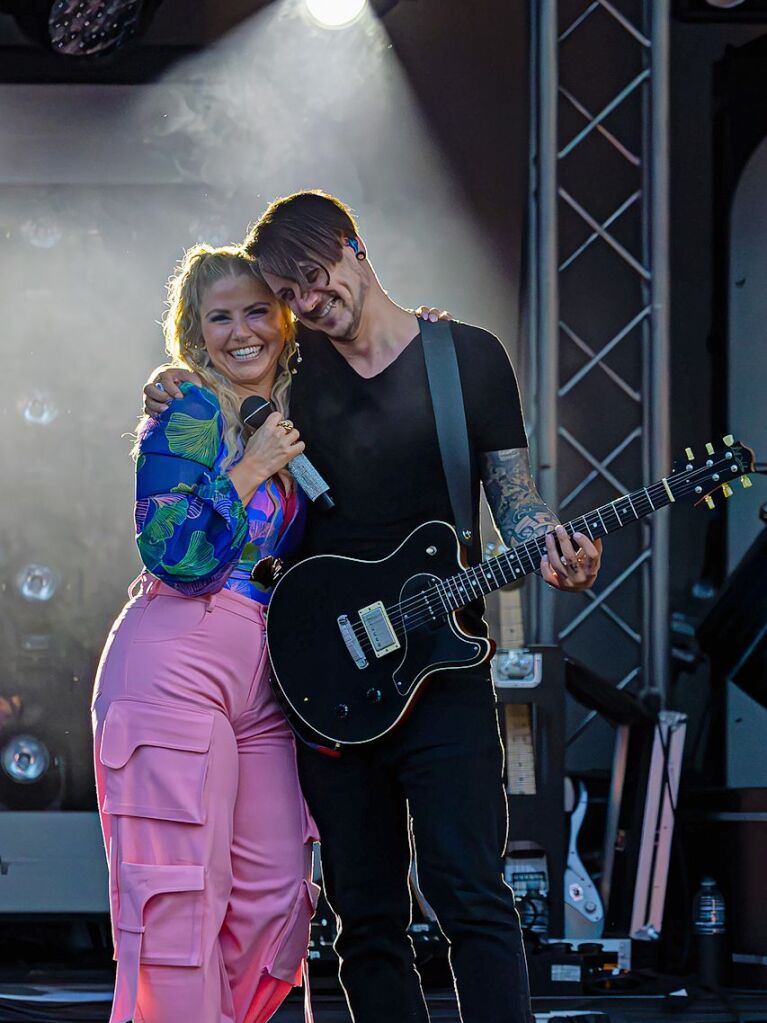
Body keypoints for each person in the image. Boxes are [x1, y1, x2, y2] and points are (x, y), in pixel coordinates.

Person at [145, 191, 603, 1023]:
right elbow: (219, 367)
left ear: (354, 247)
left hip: (443, 667)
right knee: (365, 917)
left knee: (472, 891)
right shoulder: (292, 369)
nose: (307, 303)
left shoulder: (466, 356)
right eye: (290, 295)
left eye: (314, 279)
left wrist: (552, 545)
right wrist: (172, 376)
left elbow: (512, 493)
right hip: (325, 670)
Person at [92, 245, 320, 1023]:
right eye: (219, 316)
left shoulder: (300, 406)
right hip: (176, 655)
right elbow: (170, 550)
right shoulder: (187, 410)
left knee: (274, 896)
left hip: (267, 675)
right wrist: (250, 468)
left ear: (286, 318)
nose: (241, 331)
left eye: (257, 309)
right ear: (194, 333)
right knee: (179, 899)